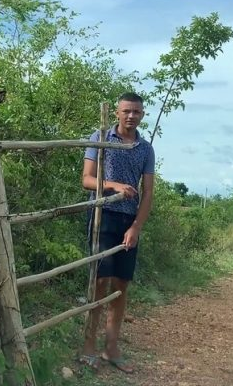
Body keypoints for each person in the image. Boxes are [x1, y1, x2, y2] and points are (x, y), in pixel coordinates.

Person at [79, 92, 155, 374]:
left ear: (142, 115)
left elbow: (148, 194)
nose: (131, 116)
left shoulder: (145, 149)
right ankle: (88, 345)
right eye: (126, 111)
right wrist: (114, 186)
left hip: (129, 221)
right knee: (100, 281)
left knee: (121, 285)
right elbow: (86, 180)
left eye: (136, 112)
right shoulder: (100, 138)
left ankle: (111, 347)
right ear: (116, 113)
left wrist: (136, 227)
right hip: (103, 216)